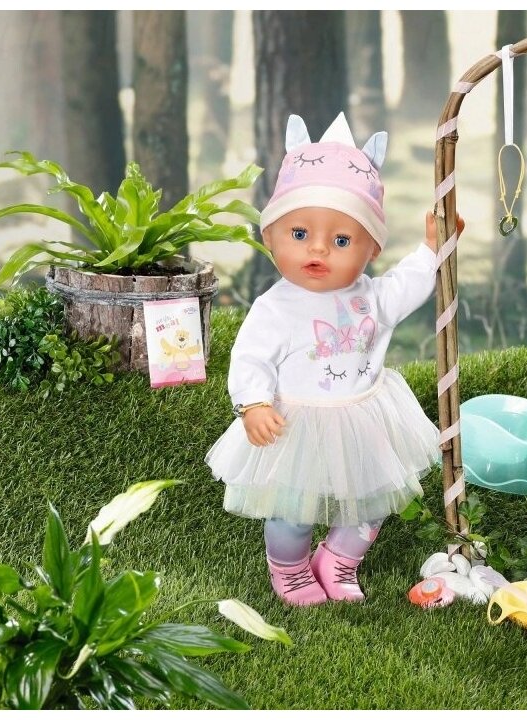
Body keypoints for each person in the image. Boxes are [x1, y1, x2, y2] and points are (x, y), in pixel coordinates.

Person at [206, 112, 464, 606]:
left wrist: (431, 248)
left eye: (342, 240)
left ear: (371, 249)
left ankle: (340, 560)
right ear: (270, 237)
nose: (319, 249)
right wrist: (253, 403)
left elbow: (406, 287)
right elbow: (250, 358)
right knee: (292, 509)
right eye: (299, 233)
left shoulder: (371, 297)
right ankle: (290, 570)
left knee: (371, 501)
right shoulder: (275, 307)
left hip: (363, 417)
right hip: (296, 424)